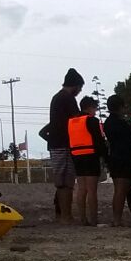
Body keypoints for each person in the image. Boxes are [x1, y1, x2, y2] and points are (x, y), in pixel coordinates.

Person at [47, 68, 85, 224]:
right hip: (64, 144)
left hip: (55, 144)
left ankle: (62, 214)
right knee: (66, 182)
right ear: (75, 85)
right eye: (80, 87)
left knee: (61, 181)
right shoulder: (68, 99)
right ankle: (66, 216)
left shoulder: (57, 97)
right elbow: (77, 119)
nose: (80, 91)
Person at [67, 95, 108, 226]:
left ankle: (82, 218)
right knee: (92, 190)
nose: (95, 111)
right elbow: (99, 140)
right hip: (90, 155)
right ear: (90, 108)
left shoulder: (71, 121)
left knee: (81, 188)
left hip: (76, 156)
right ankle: (94, 219)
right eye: (95, 108)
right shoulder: (92, 120)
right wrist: (105, 156)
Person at [103, 94, 131, 227]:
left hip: (114, 157)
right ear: (120, 107)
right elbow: (130, 141)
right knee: (121, 190)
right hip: (123, 158)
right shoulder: (121, 123)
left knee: (119, 189)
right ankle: (117, 219)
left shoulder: (108, 123)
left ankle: (117, 218)